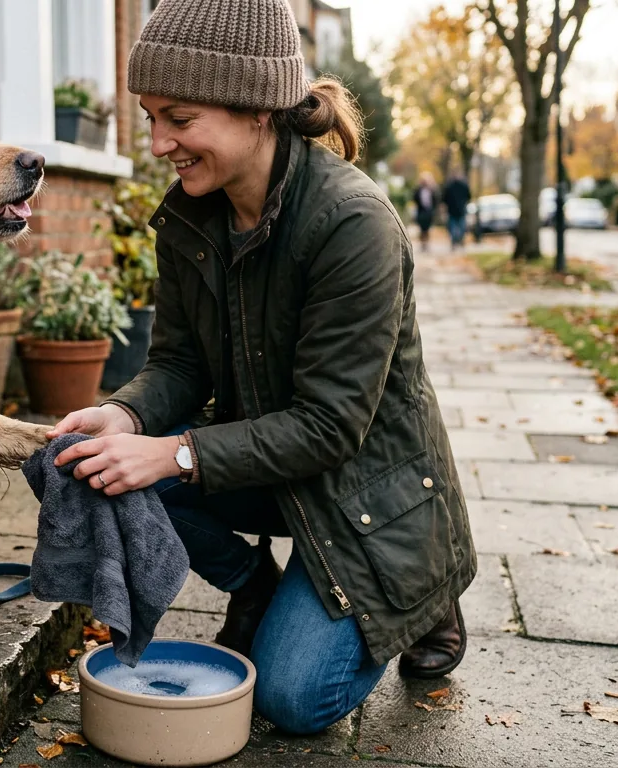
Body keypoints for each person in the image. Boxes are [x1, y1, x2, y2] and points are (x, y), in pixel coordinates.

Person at [46, 0, 476, 736]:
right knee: (98, 463)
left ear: (258, 110)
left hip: (365, 494)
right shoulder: (190, 214)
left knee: (292, 699)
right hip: (268, 464)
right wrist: (125, 415)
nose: (157, 143)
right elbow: (179, 362)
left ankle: (423, 584)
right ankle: (255, 588)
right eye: (150, 118)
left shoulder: (352, 224)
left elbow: (330, 427)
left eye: (178, 119)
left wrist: (175, 452)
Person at [442, 173, 471, 250]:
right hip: (460, 210)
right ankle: (460, 240)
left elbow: (444, 199)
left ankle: (455, 241)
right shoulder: (464, 186)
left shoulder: (449, 186)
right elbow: (469, 196)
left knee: (453, 227)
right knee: (461, 227)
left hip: (452, 210)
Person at [412, 172, 438, 250]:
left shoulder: (432, 190)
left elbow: (436, 200)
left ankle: (426, 242)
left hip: (429, 211)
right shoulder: (418, 190)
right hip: (421, 211)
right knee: (422, 228)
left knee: (427, 228)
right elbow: (415, 198)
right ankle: (423, 243)